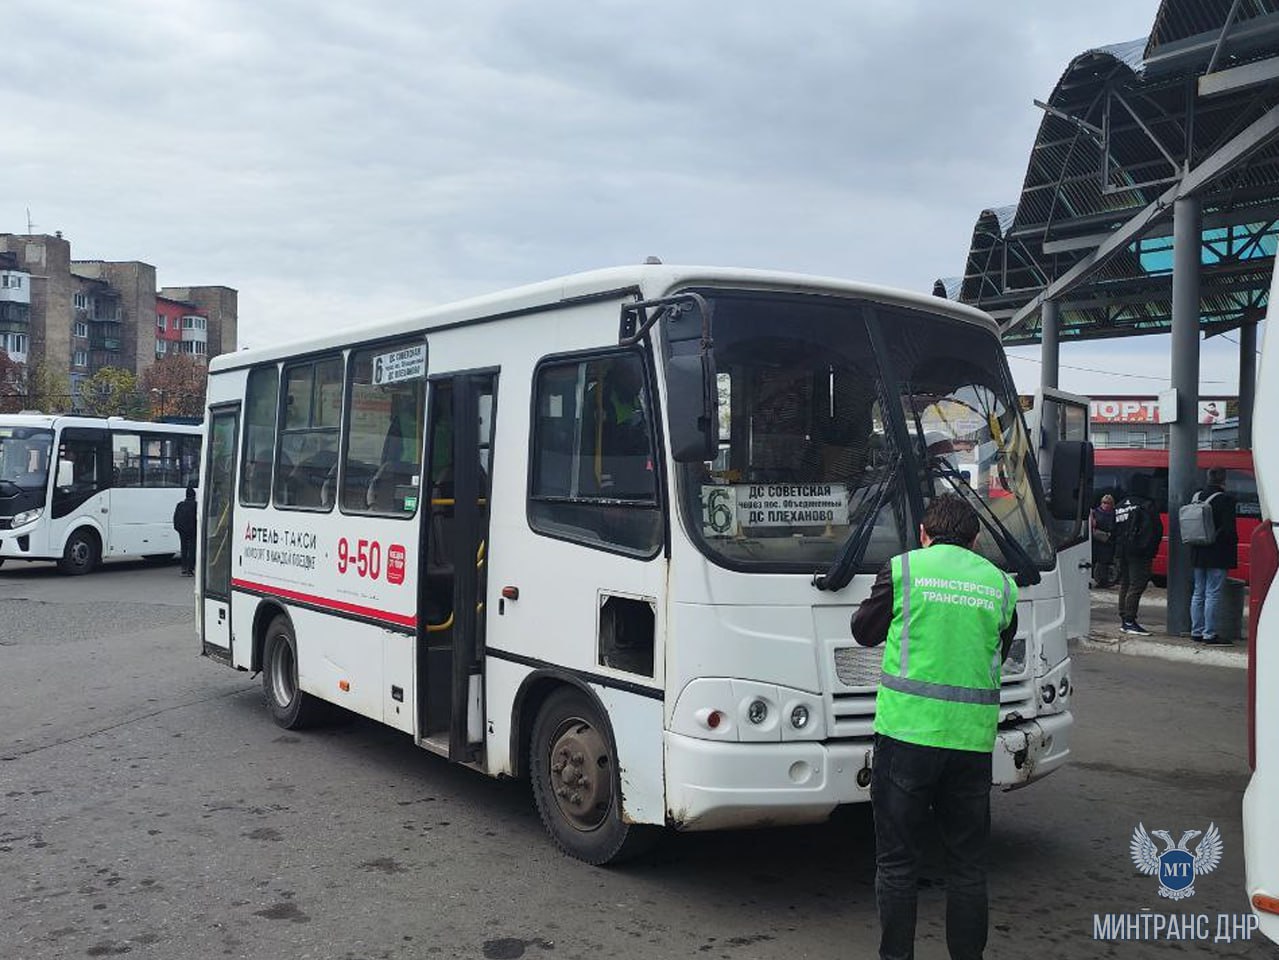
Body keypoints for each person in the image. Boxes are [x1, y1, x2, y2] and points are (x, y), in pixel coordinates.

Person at [851, 493, 1018, 960]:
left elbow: (863, 630)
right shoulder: (1000, 585)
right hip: (970, 742)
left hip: (906, 737)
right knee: (967, 867)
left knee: (898, 862)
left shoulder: (904, 570)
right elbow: (996, 652)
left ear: (924, 534)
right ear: (975, 539)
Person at [1191, 466, 1238, 644]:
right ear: (1223, 480)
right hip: (1217, 554)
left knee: (1198, 593)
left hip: (1197, 551)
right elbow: (1229, 531)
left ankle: (1196, 631)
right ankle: (1209, 634)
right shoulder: (1225, 500)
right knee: (1213, 593)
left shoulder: (1196, 497)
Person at [1112, 474, 1163, 636]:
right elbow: (1156, 529)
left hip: (1121, 550)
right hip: (1140, 552)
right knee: (1137, 585)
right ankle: (1129, 620)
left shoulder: (1120, 505)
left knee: (1125, 584)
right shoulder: (1146, 504)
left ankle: (1124, 619)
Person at [1090, 494, 1117, 588]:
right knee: (1093, 561)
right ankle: (1090, 580)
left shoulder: (1115, 514)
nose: (1105, 505)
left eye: (1108, 503)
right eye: (1104, 502)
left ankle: (1103, 581)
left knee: (1104, 562)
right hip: (1097, 541)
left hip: (1108, 542)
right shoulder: (1095, 512)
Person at [173, 486, 197, 577]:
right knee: (192, 549)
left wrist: (177, 528)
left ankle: (184, 567)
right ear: (194, 496)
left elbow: (175, 517)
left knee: (184, 548)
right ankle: (190, 569)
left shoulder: (180, 504)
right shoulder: (195, 505)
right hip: (192, 530)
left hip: (182, 530)